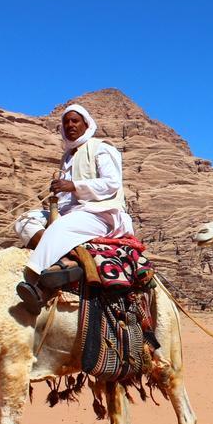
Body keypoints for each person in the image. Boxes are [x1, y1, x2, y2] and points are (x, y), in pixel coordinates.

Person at [14, 104, 134, 311]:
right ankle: (66, 257)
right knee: (24, 221)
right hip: (72, 212)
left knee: (59, 228)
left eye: (75, 120)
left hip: (99, 213)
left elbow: (112, 183)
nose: (70, 125)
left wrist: (74, 186)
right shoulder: (67, 156)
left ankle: (38, 284)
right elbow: (66, 196)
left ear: (86, 124)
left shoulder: (101, 148)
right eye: (66, 121)